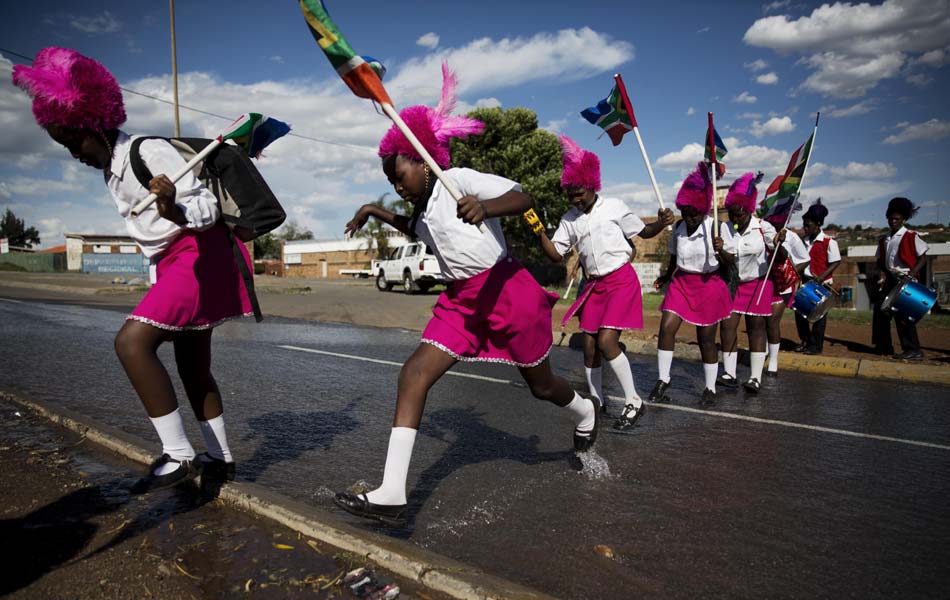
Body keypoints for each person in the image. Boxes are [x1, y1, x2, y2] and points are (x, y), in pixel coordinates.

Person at [333, 65, 598, 527]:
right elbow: (413, 226)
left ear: (422, 158)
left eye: (399, 175)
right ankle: (393, 494)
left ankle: (584, 410)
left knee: (541, 387)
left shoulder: (459, 178)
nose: (397, 185)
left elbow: (524, 196)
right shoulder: (424, 209)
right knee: (414, 373)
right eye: (391, 183)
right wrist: (376, 210)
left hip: (505, 290)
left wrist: (485, 206)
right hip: (460, 302)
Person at [13, 47, 249, 492]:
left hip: (199, 254)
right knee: (192, 367)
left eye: (74, 142)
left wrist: (171, 205)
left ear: (95, 125)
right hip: (175, 262)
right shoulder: (112, 171)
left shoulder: (148, 149)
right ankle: (220, 461)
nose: (73, 154)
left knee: (131, 342)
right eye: (64, 147)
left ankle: (178, 455)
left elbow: (206, 206)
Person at [537, 136, 673, 430]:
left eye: (580, 193)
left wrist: (661, 224)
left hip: (621, 281)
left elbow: (644, 232)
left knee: (607, 341)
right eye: (570, 195)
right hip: (593, 287)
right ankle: (597, 401)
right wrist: (539, 232)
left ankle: (634, 400)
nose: (575, 199)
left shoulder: (614, 206)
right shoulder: (569, 219)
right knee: (589, 347)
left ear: (592, 184)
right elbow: (555, 255)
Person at [650, 163, 736, 407]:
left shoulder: (715, 227)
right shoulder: (678, 227)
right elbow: (674, 256)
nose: (689, 218)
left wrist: (722, 251)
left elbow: (731, 264)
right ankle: (663, 380)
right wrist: (667, 276)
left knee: (706, 339)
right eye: (685, 212)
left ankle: (710, 388)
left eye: (694, 214)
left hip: (709, 284)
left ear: (703, 210)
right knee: (667, 327)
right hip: (681, 283)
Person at [718, 173, 775, 393]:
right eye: (732, 214)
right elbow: (727, 260)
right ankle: (730, 373)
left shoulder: (764, 228)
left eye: (739, 214)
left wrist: (779, 243)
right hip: (733, 283)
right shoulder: (725, 228)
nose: (735, 218)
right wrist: (720, 248)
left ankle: (755, 377)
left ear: (748, 210)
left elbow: (779, 256)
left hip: (758, 283)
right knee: (727, 326)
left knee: (756, 329)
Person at [872, 197, 929, 360]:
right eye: (891, 218)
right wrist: (882, 274)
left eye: (897, 218)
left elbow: (923, 258)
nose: (893, 221)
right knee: (881, 310)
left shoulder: (911, 236)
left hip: (906, 280)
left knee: (904, 316)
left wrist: (911, 274)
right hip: (890, 279)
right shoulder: (884, 239)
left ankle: (913, 350)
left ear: (903, 219)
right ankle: (884, 346)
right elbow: (880, 261)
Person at [759, 211, 810, 378]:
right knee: (763, 321)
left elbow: (805, 259)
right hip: (764, 283)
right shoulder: (761, 234)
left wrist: (791, 272)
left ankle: (773, 360)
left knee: (773, 320)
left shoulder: (792, 237)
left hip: (782, 286)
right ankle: (765, 350)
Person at [794, 200, 841, 355]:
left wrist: (821, 277)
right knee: (799, 312)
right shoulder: (804, 241)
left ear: (818, 224)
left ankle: (815, 346)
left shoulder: (829, 242)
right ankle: (805, 340)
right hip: (806, 281)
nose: (805, 228)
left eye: (808, 225)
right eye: (804, 225)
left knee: (818, 316)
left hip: (822, 284)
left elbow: (835, 262)